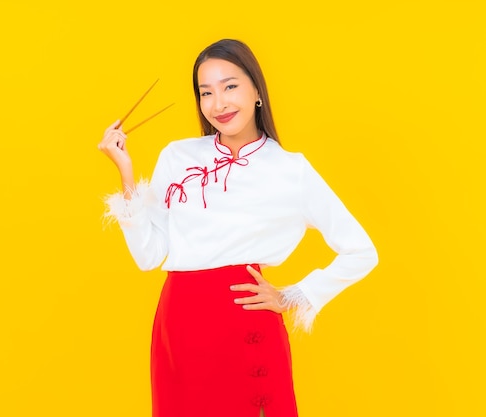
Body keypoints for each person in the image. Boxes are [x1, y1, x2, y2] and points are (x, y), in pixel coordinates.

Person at [98, 39, 378, 417]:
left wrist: (294, 295)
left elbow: (361, 251)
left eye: (230, 86)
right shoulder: (178, 156)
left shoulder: (289, 169)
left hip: (245, 328)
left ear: (256, 90)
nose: (219, 103)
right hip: (178, 329)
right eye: (206, 92)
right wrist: (126, 171)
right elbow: (149, 256)